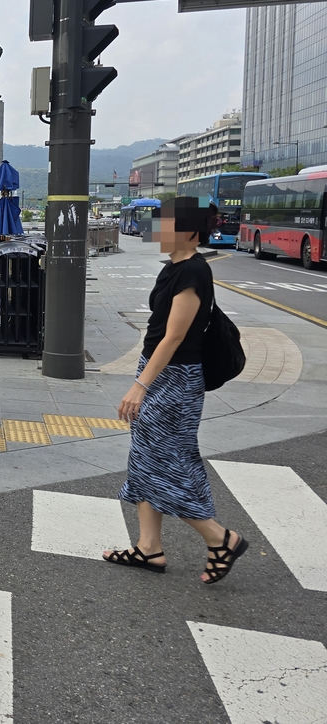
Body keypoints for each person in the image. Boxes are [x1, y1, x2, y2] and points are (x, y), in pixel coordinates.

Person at [103, 197, 249, 584]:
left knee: (169, 463)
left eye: (163, 223)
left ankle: (221, 538)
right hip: (159, 374)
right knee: (146, 458)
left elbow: (174, 337)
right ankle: (149, 548)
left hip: (176, 379)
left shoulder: (193, 273)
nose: (156, 230)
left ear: (186, 230)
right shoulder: (174, 268)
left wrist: (139, 386)